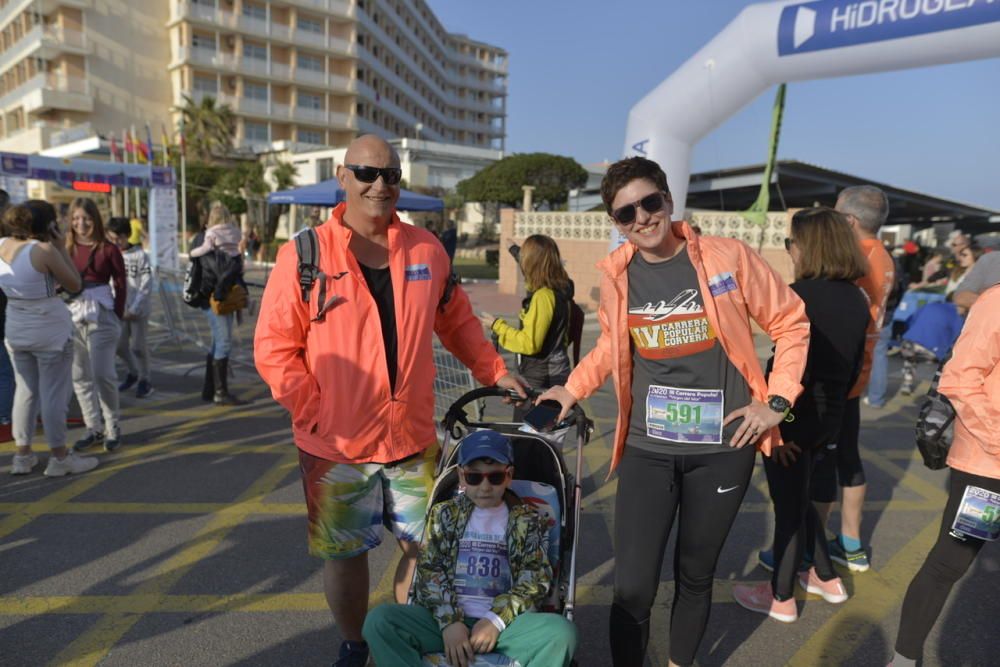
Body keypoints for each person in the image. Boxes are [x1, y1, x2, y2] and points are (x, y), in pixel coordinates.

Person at [254, 134, 526, 667]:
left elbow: (458, 322)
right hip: (335, 445)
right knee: (347, 555)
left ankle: (409, 638)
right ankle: (355, 644)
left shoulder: (426, 249)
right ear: (343, 175)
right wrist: (315, 409)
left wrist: (496, 371)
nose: (381, 185)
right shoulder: (306, 253)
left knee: (428, 551)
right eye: (367, 173)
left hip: (410, 438)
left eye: (391, 175)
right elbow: (273, 348)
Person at [538, 157, 810, 667]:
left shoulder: (726, 258)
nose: (641, 218)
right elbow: (612, 348)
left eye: (649, 202)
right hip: (648, 448)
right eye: (625, 213)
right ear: (615, 223)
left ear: (667, 198)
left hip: (722, 449)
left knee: (694, 575)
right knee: (634, 586)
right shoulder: (620, 277)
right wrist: (568, 391)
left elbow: (791, 322)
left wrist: (777, 402)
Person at [732, 208, 869, 622]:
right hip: (830, 417)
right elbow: (854, 366)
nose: (789, 249)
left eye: (791, 242)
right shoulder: (857, 297)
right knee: (802, 496)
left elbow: (790, 369)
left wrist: (783, 428)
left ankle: (780, 597)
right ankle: (826, 577)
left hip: (790, 416)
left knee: (788, 505)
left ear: (807, 246)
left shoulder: (798, 296)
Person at [362, 429, 577, 666]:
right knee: (379, 621)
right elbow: (430, 570)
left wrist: (496, 620)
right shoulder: (445, 515)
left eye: (495, 477)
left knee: (561, 633)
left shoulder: (526, 520)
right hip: (444, 624)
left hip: (504, 626)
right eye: (475, 477)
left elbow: (535, 577)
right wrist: (450, 622)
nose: (485, 486)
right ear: (462, 477)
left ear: (508, 476)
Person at [889, 284, 1000, 667]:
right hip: (990, 468)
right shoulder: (997, 301)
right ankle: (904, 660)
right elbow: (960, 379)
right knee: (950, 563)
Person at [812, 185, 895, 574]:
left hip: (839, 372)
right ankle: (850, 542)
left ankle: (810, 548)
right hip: (858, 372)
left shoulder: (856, 260)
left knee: (823, 460)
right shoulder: (884, 256)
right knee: (846, 456)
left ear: (848, 220)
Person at [1, 201, 98, 476]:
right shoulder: (43, 251)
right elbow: (75, 284)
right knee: (54, 395)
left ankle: (22, 456)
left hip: (16, 328)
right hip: (49, 331)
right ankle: (60, 458)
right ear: (48, 225)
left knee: (25, 391)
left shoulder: (2, 244)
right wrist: (58, 247)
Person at [481, 234, 573, 420]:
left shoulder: (543, 297)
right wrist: (512, 248)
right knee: (546, 437)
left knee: (530, 438)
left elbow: (529, 343)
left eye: (524, 257)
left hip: (541, 378)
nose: (522, 261)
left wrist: (497, 326)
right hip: (554, 371)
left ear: (531, 263)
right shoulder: (562, 287)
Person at [68, 197, 126, 453]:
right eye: (76, 219)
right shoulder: (65, 247)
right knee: (79, 375)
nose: (81, 224)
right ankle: (93, 427)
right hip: (71, 314)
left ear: (95, 220)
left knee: (103, 374)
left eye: (86, 219)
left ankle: (112, 426)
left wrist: (117, 314)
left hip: (101, 314)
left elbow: (121, 282)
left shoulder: (108, 249)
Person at [190, 202, 246, 406]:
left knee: (217, 342)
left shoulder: (204, 238)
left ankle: (210, 389)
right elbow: (222, 270)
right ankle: (220, 393)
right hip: (218, 296)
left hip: (209, 295)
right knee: (223, 342)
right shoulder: (228, 236)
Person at [107, 217, 154, 398]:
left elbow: (146, 284)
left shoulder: (140, 255)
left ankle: (145, 379)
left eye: (118, 238)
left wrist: (134, 309)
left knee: (138, 347)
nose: (115, 242)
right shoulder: (110, 254)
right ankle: (133, 372)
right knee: (119, 346)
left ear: (127, 236)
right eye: (111, 238)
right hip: (118, 309)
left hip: (137, 311)